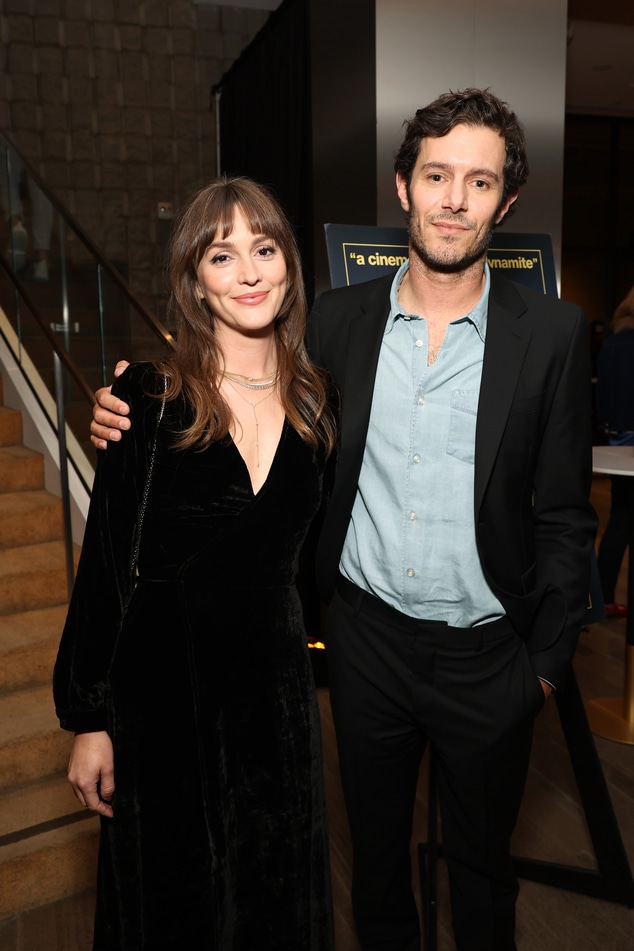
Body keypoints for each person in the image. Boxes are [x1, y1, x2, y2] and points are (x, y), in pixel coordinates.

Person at [90, 90, 597, 951]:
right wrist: (132, 402)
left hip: (490, 659)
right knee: (375, 874)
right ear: (403, 185)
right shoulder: (336, 318)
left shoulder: (552, 333)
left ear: (506, 204)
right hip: (364, 649)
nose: (453, 199)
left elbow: (564, 518)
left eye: (478, 182)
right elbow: (241, 385)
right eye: (436, 175)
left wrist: (543, 669)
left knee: (482, 879)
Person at [54, 177, 337, 950]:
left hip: (274, 697)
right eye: (223, 255)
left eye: (265, 248)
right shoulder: (148, 396)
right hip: (160, 696)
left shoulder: (318, 407)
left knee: (274, 895)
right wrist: (88, 716)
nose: (249, 271)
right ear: (197, 283)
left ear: (288, 265)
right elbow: (108, 562)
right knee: (172, 904)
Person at [595, 292, 634, 618]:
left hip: (619, 435)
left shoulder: (613, 343)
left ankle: (603, 596)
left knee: (620, 520)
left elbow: (601, 395)